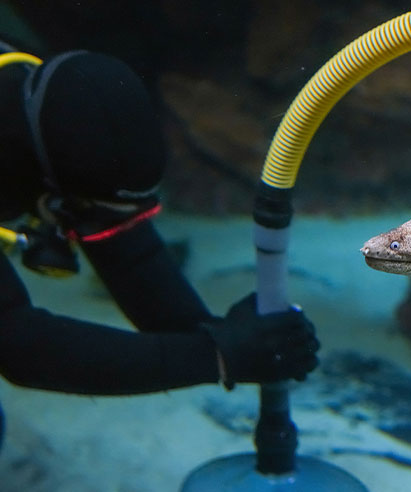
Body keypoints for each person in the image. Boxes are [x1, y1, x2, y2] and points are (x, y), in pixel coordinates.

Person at [0, 48, 320, 447]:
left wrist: (222, 337)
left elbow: (122, 241)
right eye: (88, 210)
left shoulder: (39, 102)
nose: (116, 227)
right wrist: (215, 356)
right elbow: (15, 342)